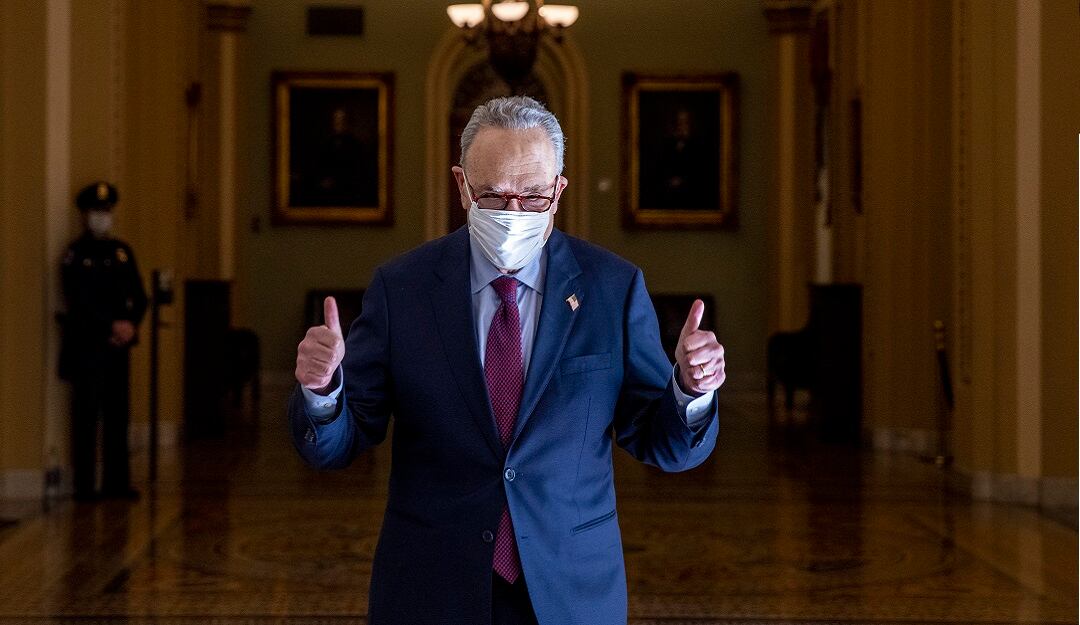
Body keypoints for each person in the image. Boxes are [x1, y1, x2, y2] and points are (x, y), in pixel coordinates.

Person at [289, 96, 726, 625]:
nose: (514, 213)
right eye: (495, 196)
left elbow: (664, 445)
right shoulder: (401, 289)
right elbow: (339, 444)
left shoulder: (613, 288)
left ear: (560, 189)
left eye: (535, 196)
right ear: (462, 187)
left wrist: (689, 389)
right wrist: (322, 392)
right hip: (431, 587)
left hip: (570, 587)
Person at [60, 182, 147, 503]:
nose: (102, 217)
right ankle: (84, 486)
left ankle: (116, 482)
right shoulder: (75, 255)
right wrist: (110, 324)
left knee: (117, 414)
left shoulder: (121, 253)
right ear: (85, 215)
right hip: (88, 347)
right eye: (97, 211)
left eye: (106, 211)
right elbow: (79, 301)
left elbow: (138, 296)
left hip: (117, 348)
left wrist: (130, 325)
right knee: (86, 415)